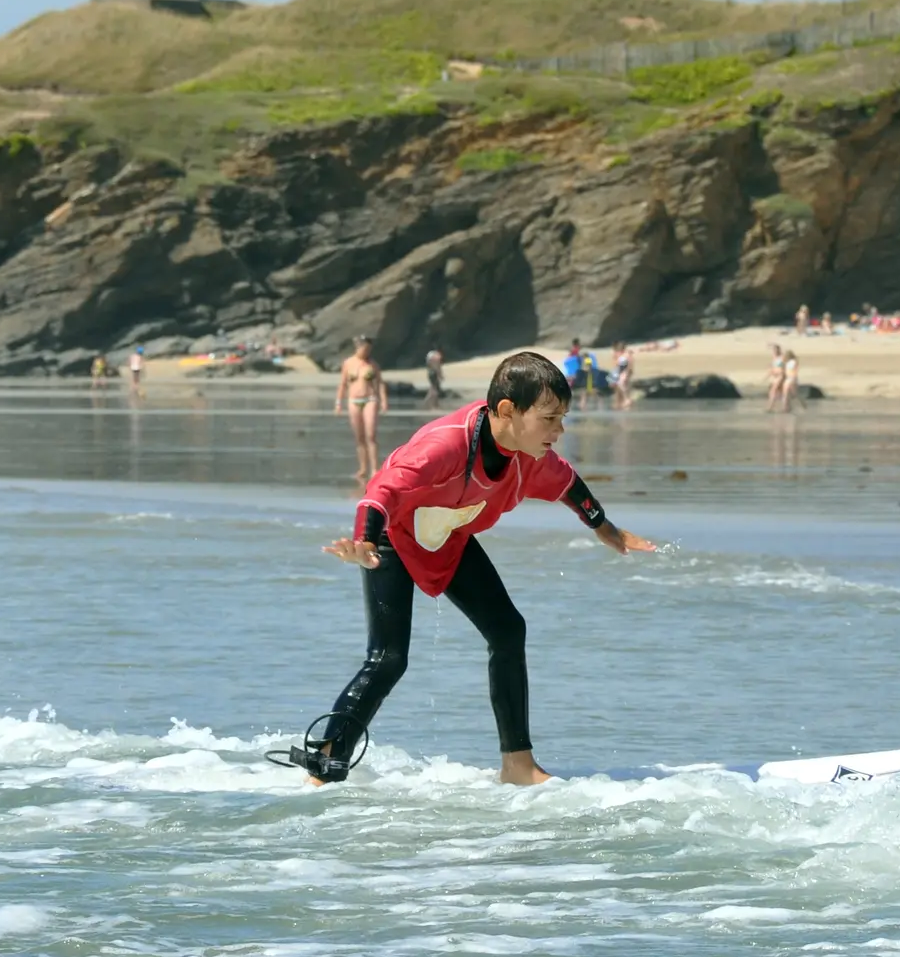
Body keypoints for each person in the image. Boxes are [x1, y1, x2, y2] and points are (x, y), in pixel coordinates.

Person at [277, 352, 655, 787]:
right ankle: (325, 765)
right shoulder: (445, 446)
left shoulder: (528, 455)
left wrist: (607, 529)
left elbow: (569, 485)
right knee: (388, 659)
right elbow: (381, 492)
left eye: (562, 418)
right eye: (550, 418)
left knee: (508, 630)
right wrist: (363, 541)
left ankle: (518, 765)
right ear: (508, 411)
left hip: (447, 536)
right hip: (391, 534)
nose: (559, 430)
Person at [335, 337, 388, 481]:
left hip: (370, 399)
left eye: (368, 349)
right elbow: (343, 384)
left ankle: (375, 468)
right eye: (364, 349)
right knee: (359, 437)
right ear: (358, 348)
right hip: (353, 400)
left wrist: (383, 400)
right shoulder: (348, 363)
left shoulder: (372, 364)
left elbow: (380, 383)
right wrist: (338, 402)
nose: (366, 352)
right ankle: (363, 468)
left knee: (370, 435)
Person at [611, 342, 635, 410]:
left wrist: (628, 373)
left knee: (621, 385)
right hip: (621, 372)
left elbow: (628, 365)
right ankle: (619, 402)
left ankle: (626, 399)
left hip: (624, 372)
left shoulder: (626, 355)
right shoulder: (621, 355)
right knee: (618, 387)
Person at [764, 342, 786, 412]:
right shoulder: (774, 357)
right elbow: (772, 367)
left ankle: (770, 407)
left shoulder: (782, 357)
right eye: (774, 350)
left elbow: (784, 366)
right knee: (781, 393)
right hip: (775, 376)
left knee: (772, 391)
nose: (775, 351)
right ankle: (785, 407)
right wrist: (768, 375)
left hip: (780, 376)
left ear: (779, 350)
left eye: (776, 350)